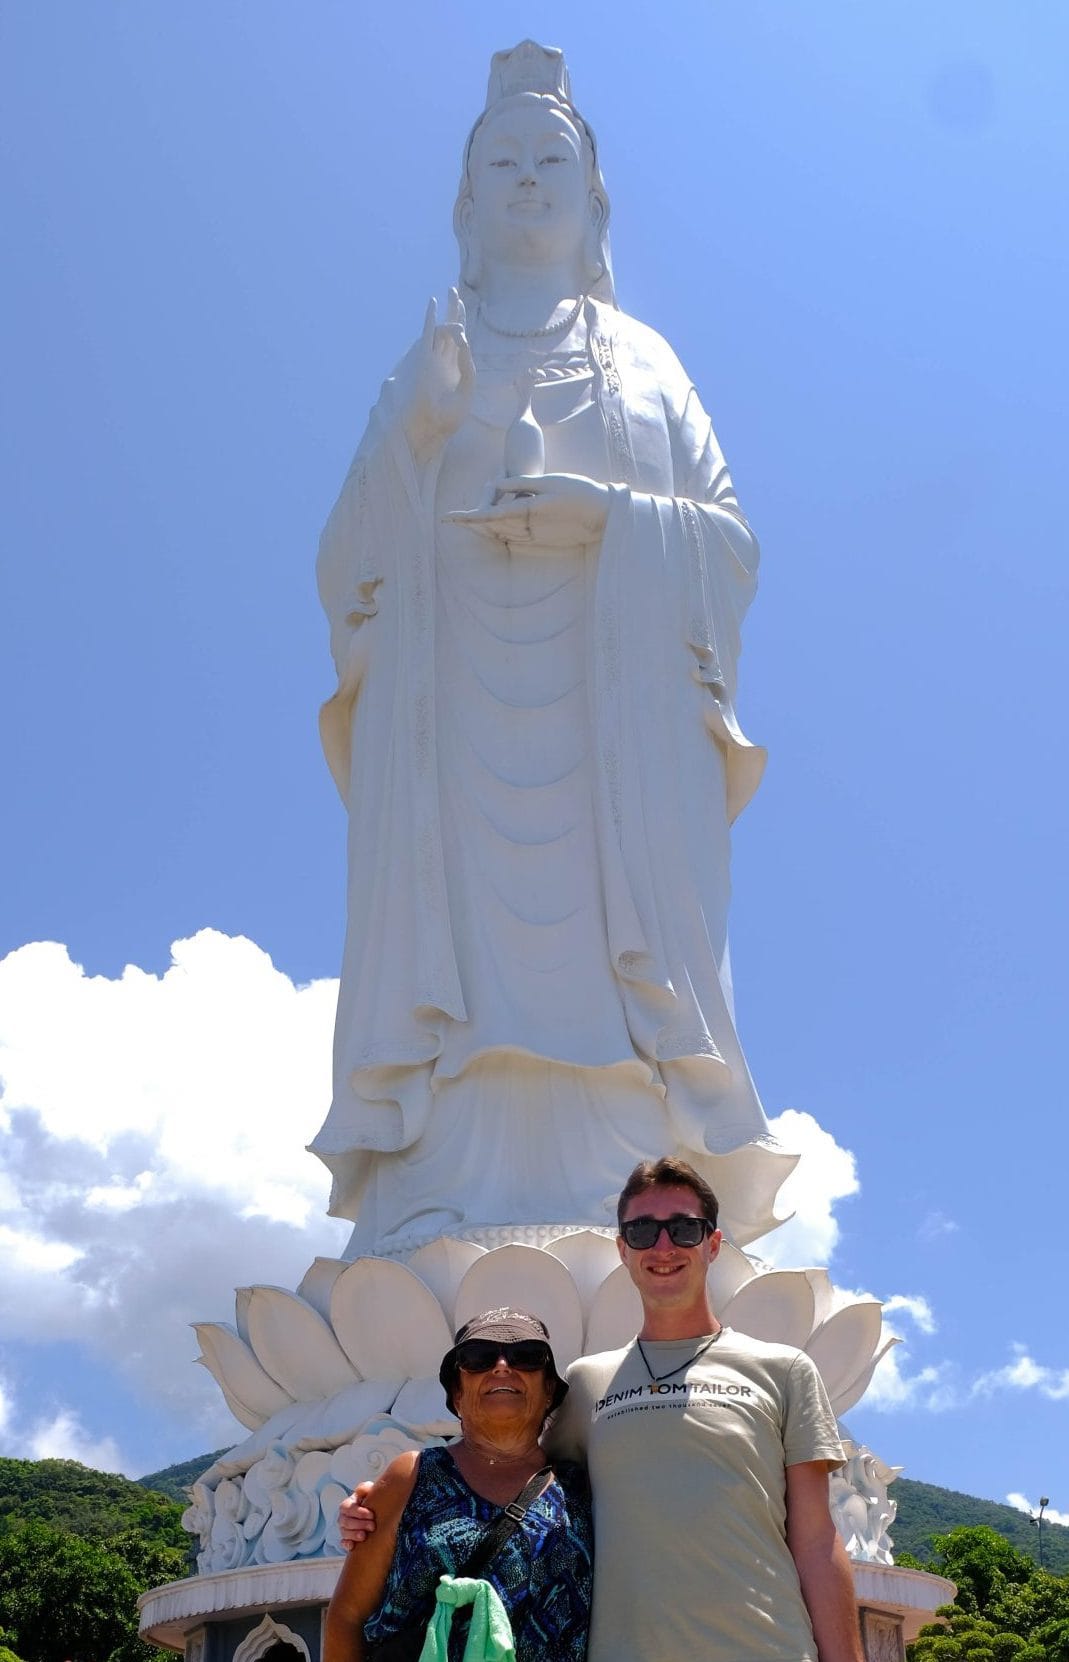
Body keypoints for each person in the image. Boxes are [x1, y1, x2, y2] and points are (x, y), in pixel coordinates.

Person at [309, 39, 795, 1258]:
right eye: (502, 161)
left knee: (612, 956)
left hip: (611, 727)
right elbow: (343, 564)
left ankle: (634, 1206)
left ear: (591, 199)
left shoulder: (647, 364)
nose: (528, 178)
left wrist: (613, 524)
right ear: (466, 202)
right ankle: (433, 1204)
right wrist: (416, 437)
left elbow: (730, 540)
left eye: (550, 158)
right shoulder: (420, 366)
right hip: (450, 724)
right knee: (453, 954)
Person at [341, 1159, 863, 1662]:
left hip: (766, 1648)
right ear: (621, 1248)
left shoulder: (783, 1369)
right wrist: (380, 1502)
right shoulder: (591, 1382)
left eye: (684, 1228)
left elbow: (817, 1541)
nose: (663, 1245)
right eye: (642, 1231)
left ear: (714, 1243)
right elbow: (509, 1464)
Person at [324, 1308, 592, 1662]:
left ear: (548, 1393)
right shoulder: (412, 1477)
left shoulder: (580, 1487)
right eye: (478, 1358)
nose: (501, 1366)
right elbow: (347, 1618)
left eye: (527, 1357)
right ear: (457, 1395)